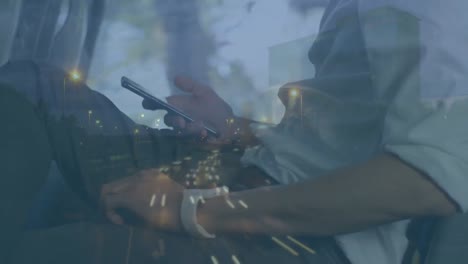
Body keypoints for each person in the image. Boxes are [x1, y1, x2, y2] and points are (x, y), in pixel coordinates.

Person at [1, 1, 467, 264]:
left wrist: (191, 210)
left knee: (45, 254)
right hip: (246, 169)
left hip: (312, 242)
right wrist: (238, 130)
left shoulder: (434, 13)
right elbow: (343, 137)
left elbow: (428, 181)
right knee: (35, 84)